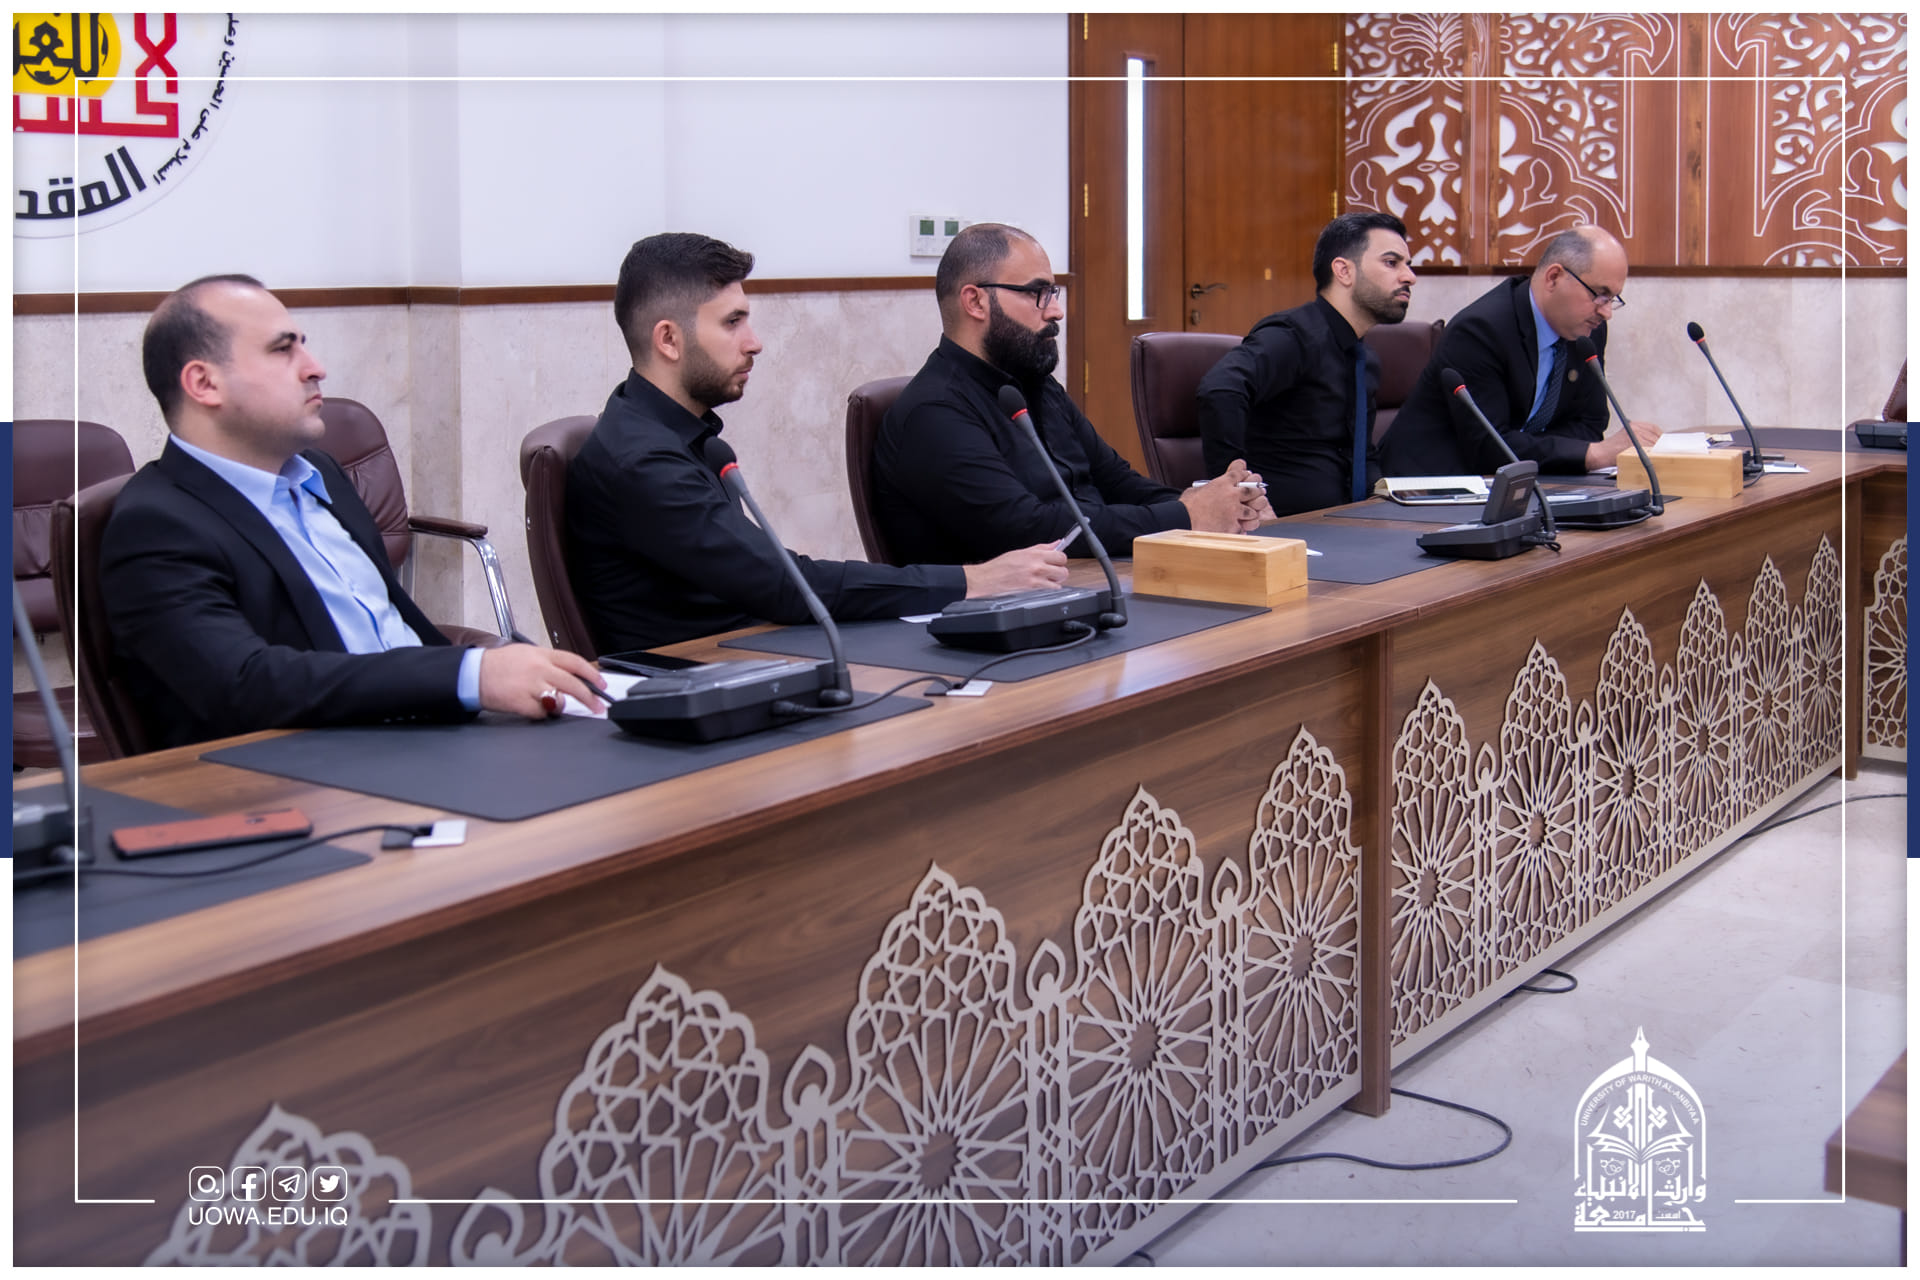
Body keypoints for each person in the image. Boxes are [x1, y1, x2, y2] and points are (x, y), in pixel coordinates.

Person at [102, 275, 604, 750]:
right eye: (283, 349)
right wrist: (471, 676)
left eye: (304, 345)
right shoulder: (156, 525)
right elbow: (243, 684)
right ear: (204, 383)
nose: (315, 367)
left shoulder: (319, 473)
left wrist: (500, 671)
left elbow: (390, 631)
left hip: (429, 734)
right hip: (312, 769)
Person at [568, 233, 1068, 653]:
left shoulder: (668, 432)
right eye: (732, 322)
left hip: (754, 657)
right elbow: (784, 585)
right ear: (668, 340)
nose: (754, 341)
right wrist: (973, 581)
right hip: (702, 692)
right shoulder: (642, 460)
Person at [870, 223, 1270, 565]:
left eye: (1054, 293)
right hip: (996, 619)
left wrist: (1220, 503)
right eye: (1037, 293)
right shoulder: (933, 413)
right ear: (975, 301)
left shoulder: (1037, 387)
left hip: (1090, 585)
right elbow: (1029, 529)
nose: (1056, 311)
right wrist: (1186, 515)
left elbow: (1118, 483)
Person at [1380, 224, 1662, 476]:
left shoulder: (1588, 331)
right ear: (1553, 277)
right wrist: (1592, 455)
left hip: (1522, 483)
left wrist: (1565, 451)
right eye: (1600, 295)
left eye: (1613, 299)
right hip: (1428, 487)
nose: (1606, 312)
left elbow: (1591, 423)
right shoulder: (1480, 330)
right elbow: (1489, 446)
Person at [1196, 211, 1417, 516]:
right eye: (1392, 263)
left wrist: (1387, 504)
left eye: (1408, 265)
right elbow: (1220, 388)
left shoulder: (1364, 360)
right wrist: (1235, 493)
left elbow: (1360, 455)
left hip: (1352, 522)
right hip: (1286, 527)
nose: (1409, 277)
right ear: (1344, 271)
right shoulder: (1294, 337)